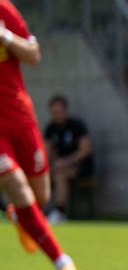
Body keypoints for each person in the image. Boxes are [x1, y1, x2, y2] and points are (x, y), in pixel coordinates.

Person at [0, 1, 78, 270]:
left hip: (21, 119)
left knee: (40, 197)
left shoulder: (4, 11)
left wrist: (5, 37)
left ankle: (19, 216)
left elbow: (33, 55)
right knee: (16, 186)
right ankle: (61, 261)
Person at [41, 94, 94, 223]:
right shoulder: (51, 128)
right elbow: (46, 151)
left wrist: (67, 161)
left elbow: (86, 150)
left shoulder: (76, 126)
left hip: (80, 167)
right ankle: (36, 211)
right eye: (54, 113)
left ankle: (60, 212)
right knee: (41, 175)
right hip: (58, 167)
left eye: (59, 112)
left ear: (65, 110)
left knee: (60, 174)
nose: (56, 115)